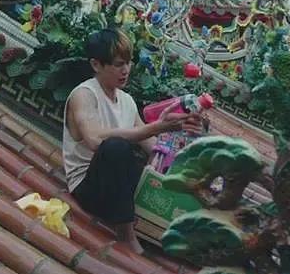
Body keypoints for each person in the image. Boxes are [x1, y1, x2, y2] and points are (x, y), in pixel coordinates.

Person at [63, 28, 204, 254]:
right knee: (116, 147)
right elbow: (95, 140)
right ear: (96, 65)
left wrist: (186, 146)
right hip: (89, 186)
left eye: (128, 63)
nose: (126, 70)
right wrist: (157, 126)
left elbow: (153, 147)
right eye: (119, 64)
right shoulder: (84, 94)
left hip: (118, 184)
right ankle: (126, 234)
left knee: (164, 173)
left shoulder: (127, 100)